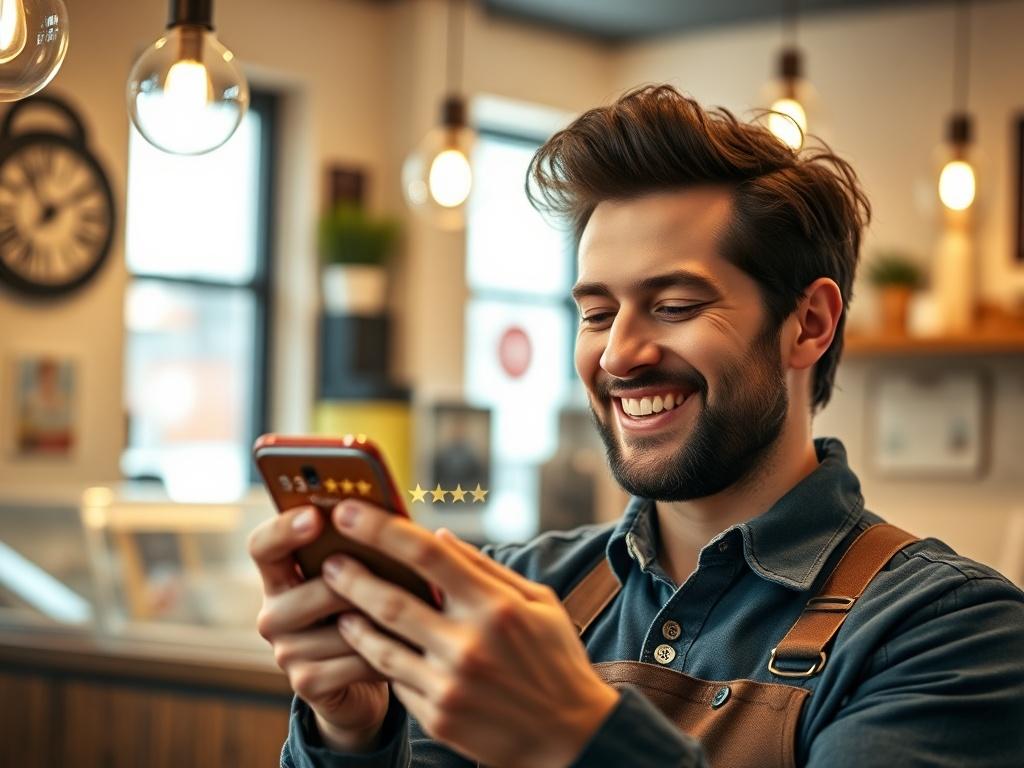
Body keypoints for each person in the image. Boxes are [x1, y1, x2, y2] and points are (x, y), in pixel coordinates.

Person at [248, 85, 1024, 767]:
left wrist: (575, 732)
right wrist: (354, 735)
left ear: (809, 323)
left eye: (675, 306)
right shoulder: (515, 592)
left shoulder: (948, 634)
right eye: (596, 314)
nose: (619, 354)